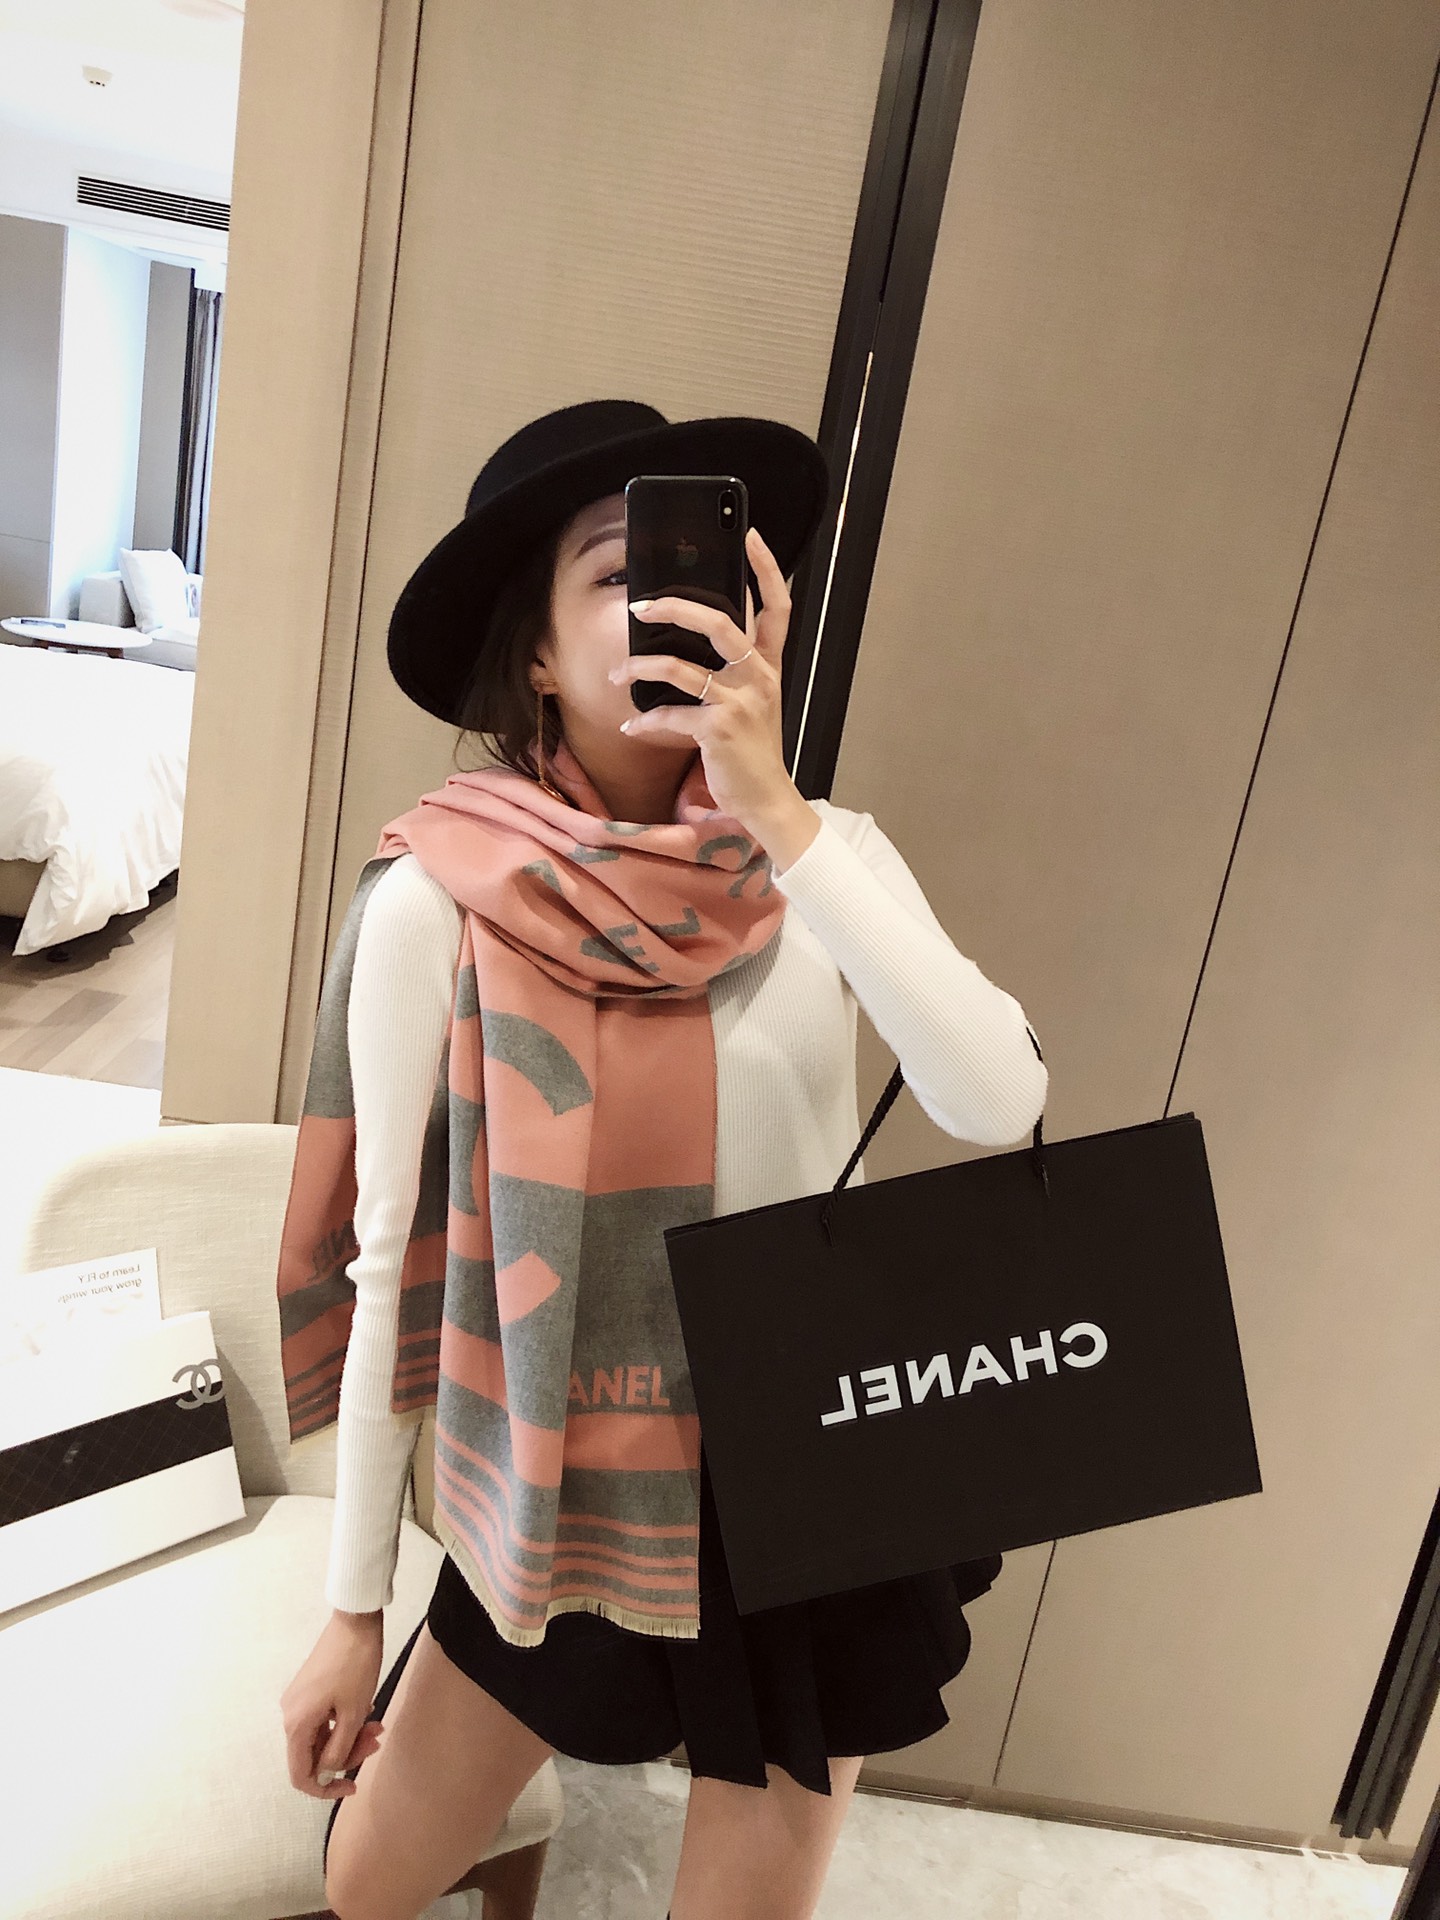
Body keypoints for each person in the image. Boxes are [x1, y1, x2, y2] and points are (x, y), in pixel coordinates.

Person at [276, 399, 1048, 1920]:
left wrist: (779, 814)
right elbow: (386, 1271)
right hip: (564, 1455)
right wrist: (353, 1612)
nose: (667, 610)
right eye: (616, 573)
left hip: (816, 1460)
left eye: (698, 573)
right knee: (367, 1886)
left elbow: (998, 1098)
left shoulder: (829, 858)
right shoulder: (438, 898)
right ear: (536, 653)